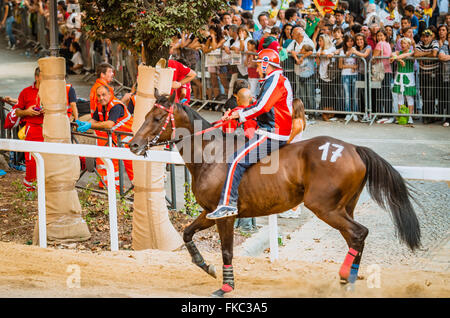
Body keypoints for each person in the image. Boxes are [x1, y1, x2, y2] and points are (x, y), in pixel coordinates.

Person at [206, 49, 293, 219]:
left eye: (260, 64)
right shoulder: (272, 79)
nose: (257, 68)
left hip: (271, 133)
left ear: (267, 64)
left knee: (235, 161)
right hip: (269, 130)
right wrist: (237, 114)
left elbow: (262, 107)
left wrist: (238, 114)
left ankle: (227, 204)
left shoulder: (275, 79)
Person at [76, 85, 134, 190]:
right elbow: (94, 120)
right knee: (108, 162)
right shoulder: (100, 106)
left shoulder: (116, 106)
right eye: (98, 96)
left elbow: (109, 124)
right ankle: (110, 186)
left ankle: (136, 189)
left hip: (127, 139)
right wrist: (84, 124)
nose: (101, 98)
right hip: (115, 139)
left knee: (131, 167)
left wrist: (89, 126)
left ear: (110, 94)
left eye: (103, 95)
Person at [14, 67, 44, 192]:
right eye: (44, 76)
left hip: (49, 130)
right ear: (36, 77)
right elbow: (16, 111)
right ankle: (30, 189)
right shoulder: (26, 92)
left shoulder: (52, 92)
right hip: (32, 128)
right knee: (31, 160)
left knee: (49, 159)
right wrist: (27, 111)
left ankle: (45, 189)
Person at [279, 98, 305, 218]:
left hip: (293, 153)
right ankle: (293, 208)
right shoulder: (298, 121)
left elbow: (289, 138)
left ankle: (293, 208)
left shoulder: (297, 122)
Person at [414, 29, 440, 123]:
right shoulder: (420, 43)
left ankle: (430, 116)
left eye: (427, 36)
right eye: (424, 36)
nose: (425, 38)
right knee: (424, 95)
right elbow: (416, 54)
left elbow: (434, 54)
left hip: (433, 73)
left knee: (430, 95)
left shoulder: (435, 42)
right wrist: (427, 54)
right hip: (423, 73)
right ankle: (426, 116)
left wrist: (423, 55)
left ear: (431, 36)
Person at [391, 37, 416, 124]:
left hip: (408, 77)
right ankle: (401, 116)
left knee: (409, 97)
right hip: (399, 76)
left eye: (404, 43)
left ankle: (409, 117)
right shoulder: (399, 52)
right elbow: (392, 54)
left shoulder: (411, 52)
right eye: (401, 43)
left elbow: (405, 55)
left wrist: (397, 58)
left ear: (409, 45)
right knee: (400, 97)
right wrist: (399, 59)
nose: (402, 45)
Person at [373, 29, 394, 122]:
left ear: (385, 36)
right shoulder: (388, 44)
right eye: (378, 36)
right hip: (387, 70)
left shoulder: (380, 44)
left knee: (381, 94)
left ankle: (383, 114)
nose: (379, 38)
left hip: (381, 71)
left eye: (381, 35)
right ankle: (387, 113)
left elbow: (374, 58)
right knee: (386, 93)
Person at [339, 34, 359, 121]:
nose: (350, 43)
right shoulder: (342, 51)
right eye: (348, 41)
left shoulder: (356, 50)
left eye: (351, 41)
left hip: (355, 75)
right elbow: (340, 65)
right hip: (345, 75)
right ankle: (348, 113)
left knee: (355, 95)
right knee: (347, 95)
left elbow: (359, 63)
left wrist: (355, 67)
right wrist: (351, 67)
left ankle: (355, 113)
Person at [438, 31, 450, 126]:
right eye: (449, 37)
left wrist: (448, 57)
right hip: (447, 77)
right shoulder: (444, 47)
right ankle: (448, 119)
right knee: (448, 99)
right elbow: (441, 57)